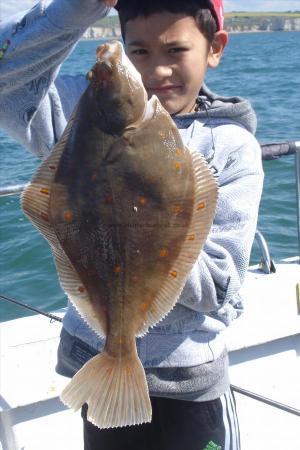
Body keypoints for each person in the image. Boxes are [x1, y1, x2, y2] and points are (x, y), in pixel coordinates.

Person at [0, 1, 264, 449]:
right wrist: (77, 10)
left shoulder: (231, 146)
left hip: (191, 385)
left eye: (176, 50)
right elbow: (10, 85)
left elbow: (220, 286)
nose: (157, 71)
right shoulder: (79, 119)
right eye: (138, 52)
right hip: (96, 367)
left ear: (214, 48)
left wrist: (159, 228)